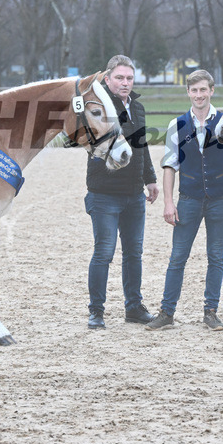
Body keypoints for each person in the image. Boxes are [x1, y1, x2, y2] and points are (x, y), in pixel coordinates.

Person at [146, 69, 223, 332]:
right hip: (189, 199)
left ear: (211, 91)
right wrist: (168, 202)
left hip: (220, 197)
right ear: (188, 92)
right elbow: (169, 165)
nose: (199, 95)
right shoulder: (178, 124)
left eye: (203, 90)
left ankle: (211, 312)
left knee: (216, 257)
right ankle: (167, 312)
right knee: (178, 257)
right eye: (194, 90)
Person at [85, 55, 159, 329]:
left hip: (134, 193)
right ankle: (96, 311)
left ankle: (133, 307)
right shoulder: (99, 109)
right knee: (104, 252)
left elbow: (142, 147)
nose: (125, 83)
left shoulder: (137, 108)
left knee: (133, 253)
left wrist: (150, 179)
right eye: (119, 78)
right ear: (107, 79)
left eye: (129, 78)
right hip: (104, 193)